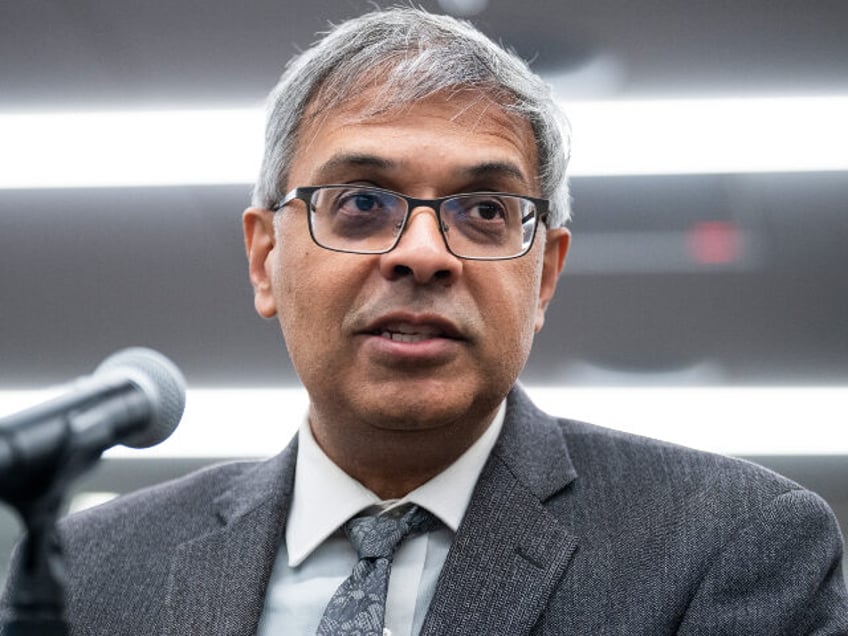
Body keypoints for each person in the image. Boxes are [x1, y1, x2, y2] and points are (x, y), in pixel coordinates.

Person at [3, 7, 847, 635]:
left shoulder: (730, 545)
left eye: (483, 210)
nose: (421, 254)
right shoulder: (92, 575)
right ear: (265, 260)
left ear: (544, 274)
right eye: (362, 203)